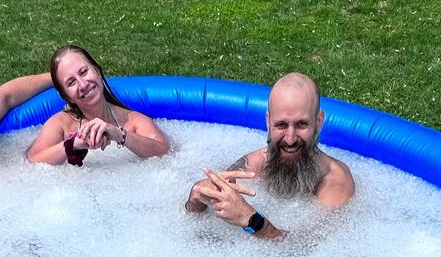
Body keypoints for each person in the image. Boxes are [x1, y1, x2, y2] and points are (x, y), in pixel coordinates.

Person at [183, 72, 355, 239]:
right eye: (281, 125)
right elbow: (200, 222)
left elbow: (308, 251)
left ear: (318, 122)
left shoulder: (334, 182)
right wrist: (196, 199)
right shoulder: (256, 163)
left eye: (301, 124)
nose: (290, 138)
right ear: (268, 122)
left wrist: (252, 220)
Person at [26, 44, 168, 166]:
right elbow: (31, 161)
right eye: (71, 82)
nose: (83, 85)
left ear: (97, 71)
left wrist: (119, 135)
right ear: (66, 96)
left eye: (84, 72)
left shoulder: (133, 121)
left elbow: (165, 152)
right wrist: (73, 144)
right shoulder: (61, 125)